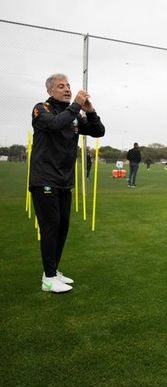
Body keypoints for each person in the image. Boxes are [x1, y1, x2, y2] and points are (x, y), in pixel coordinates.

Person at [29, 73, 105, 293]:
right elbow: (54, 125)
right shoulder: (41, 109)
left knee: (62, 227)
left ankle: (53, 271)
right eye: (61, 86)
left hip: (64, 181)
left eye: (69, 85)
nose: (67, 89)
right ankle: (48, 278)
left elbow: (98, 131)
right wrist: (76, 106)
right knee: (50, 227)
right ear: (50, 91)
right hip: (44, 178)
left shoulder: (73, 115)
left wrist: (90, 112)